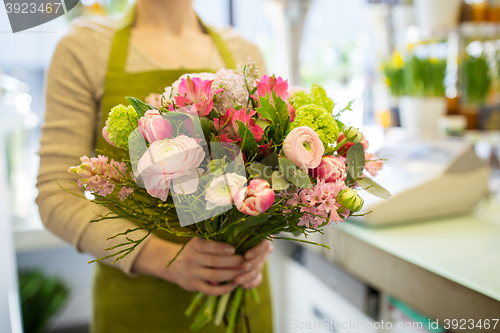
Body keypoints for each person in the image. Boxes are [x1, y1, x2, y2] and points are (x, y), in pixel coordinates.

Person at [36, 0, 274, 332]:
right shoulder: (85, 47)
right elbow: (56, 193)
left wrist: (260, 237)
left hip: (244, 305)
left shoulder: (243, 51)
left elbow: (262, 170)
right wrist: (164, 259)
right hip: (138, 307)